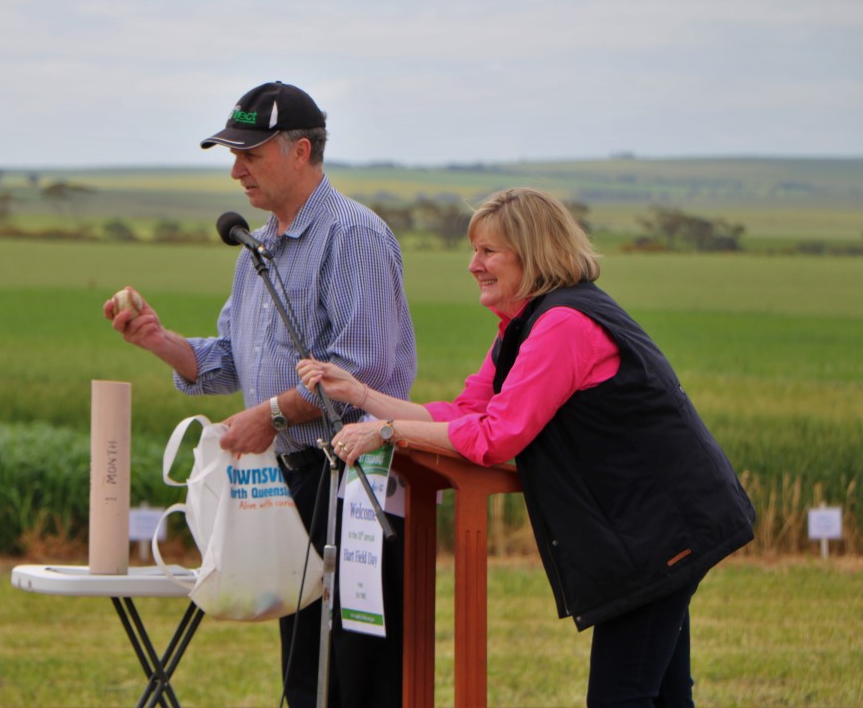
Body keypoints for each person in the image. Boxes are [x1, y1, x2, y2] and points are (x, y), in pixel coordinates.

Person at [298, 187, 756, 708]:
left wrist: (387, 433)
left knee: (621, 697)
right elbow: (466, 413)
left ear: (533, 254)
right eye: (475, 252)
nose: (473, 265)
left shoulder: (562, 325)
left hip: (662, 533)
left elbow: (495, 437)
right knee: (664, 696)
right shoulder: (523, 327)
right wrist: (360, 395)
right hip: (654, 530)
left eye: (488, 252)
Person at [105, 81, 416, 708]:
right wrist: (159, 339)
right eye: (232, 153)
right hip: (291, 485)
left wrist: (270, 416)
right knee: (305, 677)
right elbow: (229, 358)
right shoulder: (257, 248)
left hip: (352, 485)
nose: (235, 170)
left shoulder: (354, 237)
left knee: (352, 681)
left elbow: (358, 373)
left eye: (250, 153)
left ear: (300, 151)